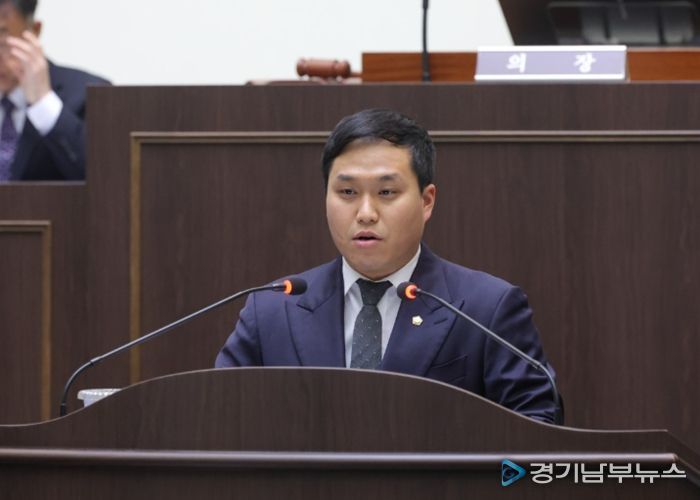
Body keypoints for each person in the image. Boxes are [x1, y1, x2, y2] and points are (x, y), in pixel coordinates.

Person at [215, 108, 560, 424]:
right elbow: (219, 419)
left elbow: (538, 428)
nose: (366, 213)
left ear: (426, 201)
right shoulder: (272, 309)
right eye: (347, 193)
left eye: (386, 193)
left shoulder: (486, 309)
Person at [0, 0, 109, 181]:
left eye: (3, 41)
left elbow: (105, 177)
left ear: (34, 31)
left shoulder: (87, 94)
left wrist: (43, 103)